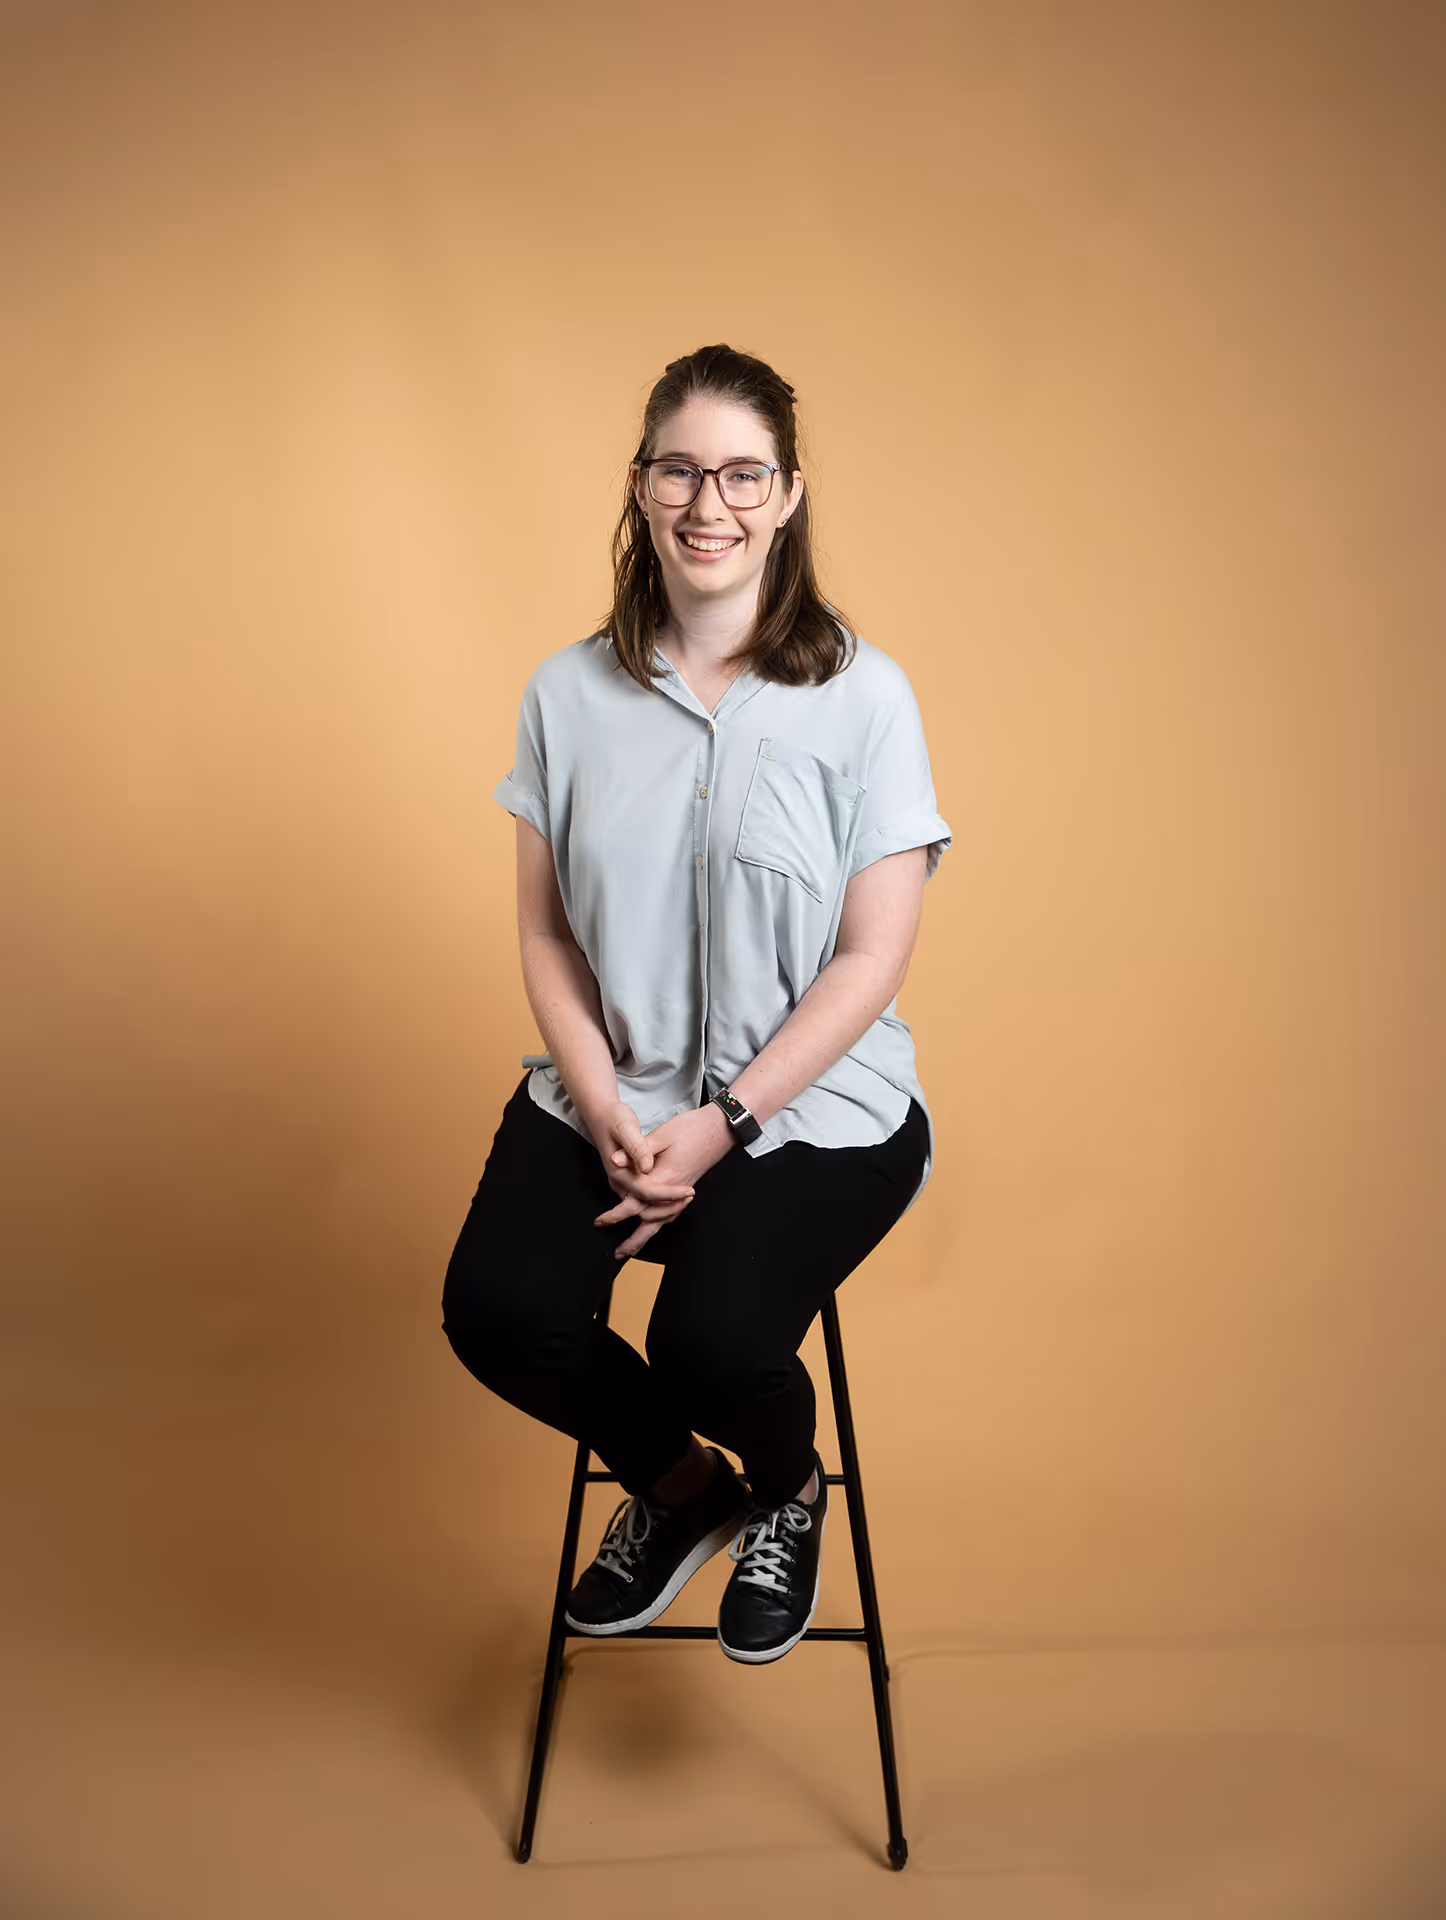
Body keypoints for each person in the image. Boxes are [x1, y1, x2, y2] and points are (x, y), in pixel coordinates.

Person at [442, 343, 951, 1665]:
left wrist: (721, 1122)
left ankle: (788, 1491)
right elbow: (546, 931)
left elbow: (868, 960)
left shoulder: (865, 698)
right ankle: (683, 1494)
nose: (707, 501)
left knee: (711, 1343)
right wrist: (605, 1105)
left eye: (741, 473)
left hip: (807, 1111)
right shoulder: (566, 693)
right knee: (496, 1310)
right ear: (639, 486)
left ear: (787, 496)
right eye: (680, 468)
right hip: (614, 1086)